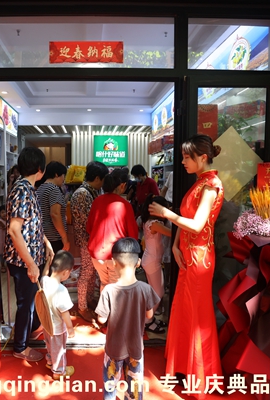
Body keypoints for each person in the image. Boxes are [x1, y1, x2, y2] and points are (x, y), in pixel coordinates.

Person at [148, 134, 224, 392]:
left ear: (203, 158)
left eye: (187, 157)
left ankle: (201, 375)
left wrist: (166, 214)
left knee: (197, 315)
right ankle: (184, 366)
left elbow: (198, 224)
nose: (183, 161)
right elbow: (186, 218)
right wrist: (175, 244)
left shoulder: (211, 186)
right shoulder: (200, 182)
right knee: (184, 311)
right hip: (187, 255)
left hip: (200, 258)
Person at [4, 146, 55, 362]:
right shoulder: (23, 190)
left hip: (29, 257)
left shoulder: (26, 188)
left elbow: (30, 225)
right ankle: (20, 347)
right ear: (40, 169)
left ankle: (27, 334)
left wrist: (45, 242)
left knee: (30, 301)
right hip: (23, 260)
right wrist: (31, 264)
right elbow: (15, 230)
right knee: (26, 303)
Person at [95, 238, 160, 400]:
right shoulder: (145, 289)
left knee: (110, 385)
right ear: (138, 263)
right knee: (134, 387)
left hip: (114, 348)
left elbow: (101, 319)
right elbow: (149, 316)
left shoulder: (108, 290)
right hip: (135, 348)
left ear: (114, 263)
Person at [87, 167, 138, 294]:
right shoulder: (125, 205)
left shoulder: (97, 201)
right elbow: (133, 236)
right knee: (116, 288)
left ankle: (104, 307)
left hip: (96, 254)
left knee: (104, 284)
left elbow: (89, 228)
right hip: (116, 254)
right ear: (123, 185)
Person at [71, 161, 108, 322]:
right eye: (104, 179)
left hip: (92, 239)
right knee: (86, 273)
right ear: (98, 178)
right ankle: (82, 307)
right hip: (87, 240)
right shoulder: (83, 194)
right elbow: (89, 221)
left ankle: (89, 299)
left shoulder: (91, 191)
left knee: (92, 271)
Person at [41, 250, 76, 380]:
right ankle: (59, 371)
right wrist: (70, 328)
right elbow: (65, 312)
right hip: (57, 328)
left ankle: (50, 361)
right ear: (65, 272)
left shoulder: (44, 281)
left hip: (46, 324)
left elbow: (44, 274)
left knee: (50, 345)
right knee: (59, 350)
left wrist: (48, 263)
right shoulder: (61, 290)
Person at [139, 194, 171, 334]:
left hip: (151, 260)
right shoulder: (155, 224)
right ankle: (147, 321)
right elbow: (172, 233)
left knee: (154, 292)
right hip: (152, 262)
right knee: (159, 292)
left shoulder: (150, 221)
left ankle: (150, 318)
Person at [37, 161, 70, 254]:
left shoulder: (40, 188)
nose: (63, 179)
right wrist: (64, 238)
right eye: (63, 175)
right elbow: (55, 214)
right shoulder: (54, 189)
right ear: (56, 175)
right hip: (54, 237)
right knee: (57, 262)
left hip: (43, 235)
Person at [0, 204, 7, 273]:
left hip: (7, 240)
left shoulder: (10, 221)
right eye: (2, 212)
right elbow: (4, 226)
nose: (4, 214)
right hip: (1, 240)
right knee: (1, 254)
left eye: (5, 212)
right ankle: (2, 265)